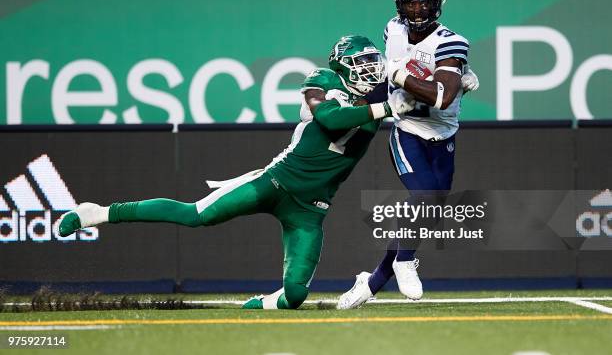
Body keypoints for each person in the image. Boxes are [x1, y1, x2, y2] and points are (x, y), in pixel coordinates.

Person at [59, 35, 415, 310]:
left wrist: (455, 81)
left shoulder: (378, 95)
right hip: (274, 182)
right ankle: (100, 213)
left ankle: (258, 305)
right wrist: (385, 107)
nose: (371, 69)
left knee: (293, 296)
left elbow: (422, 89)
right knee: (195, 215)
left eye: (373, 62)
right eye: (361, 63)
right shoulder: (325, 81)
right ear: (341, 65)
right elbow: (330, 119)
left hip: (311, 209)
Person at [337, 0, 480, 309]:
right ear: (400, 5)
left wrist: (455, 74)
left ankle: (370, 283)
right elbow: (386, 77)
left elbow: (442, 97)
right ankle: (403, 262)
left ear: (437, 4)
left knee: (428, 211)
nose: (417, 11)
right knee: (425, 196)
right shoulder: (393, 29)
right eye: (410, 4)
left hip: (443, 133)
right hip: (408, 130)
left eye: (423, 3)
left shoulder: (450, 41)